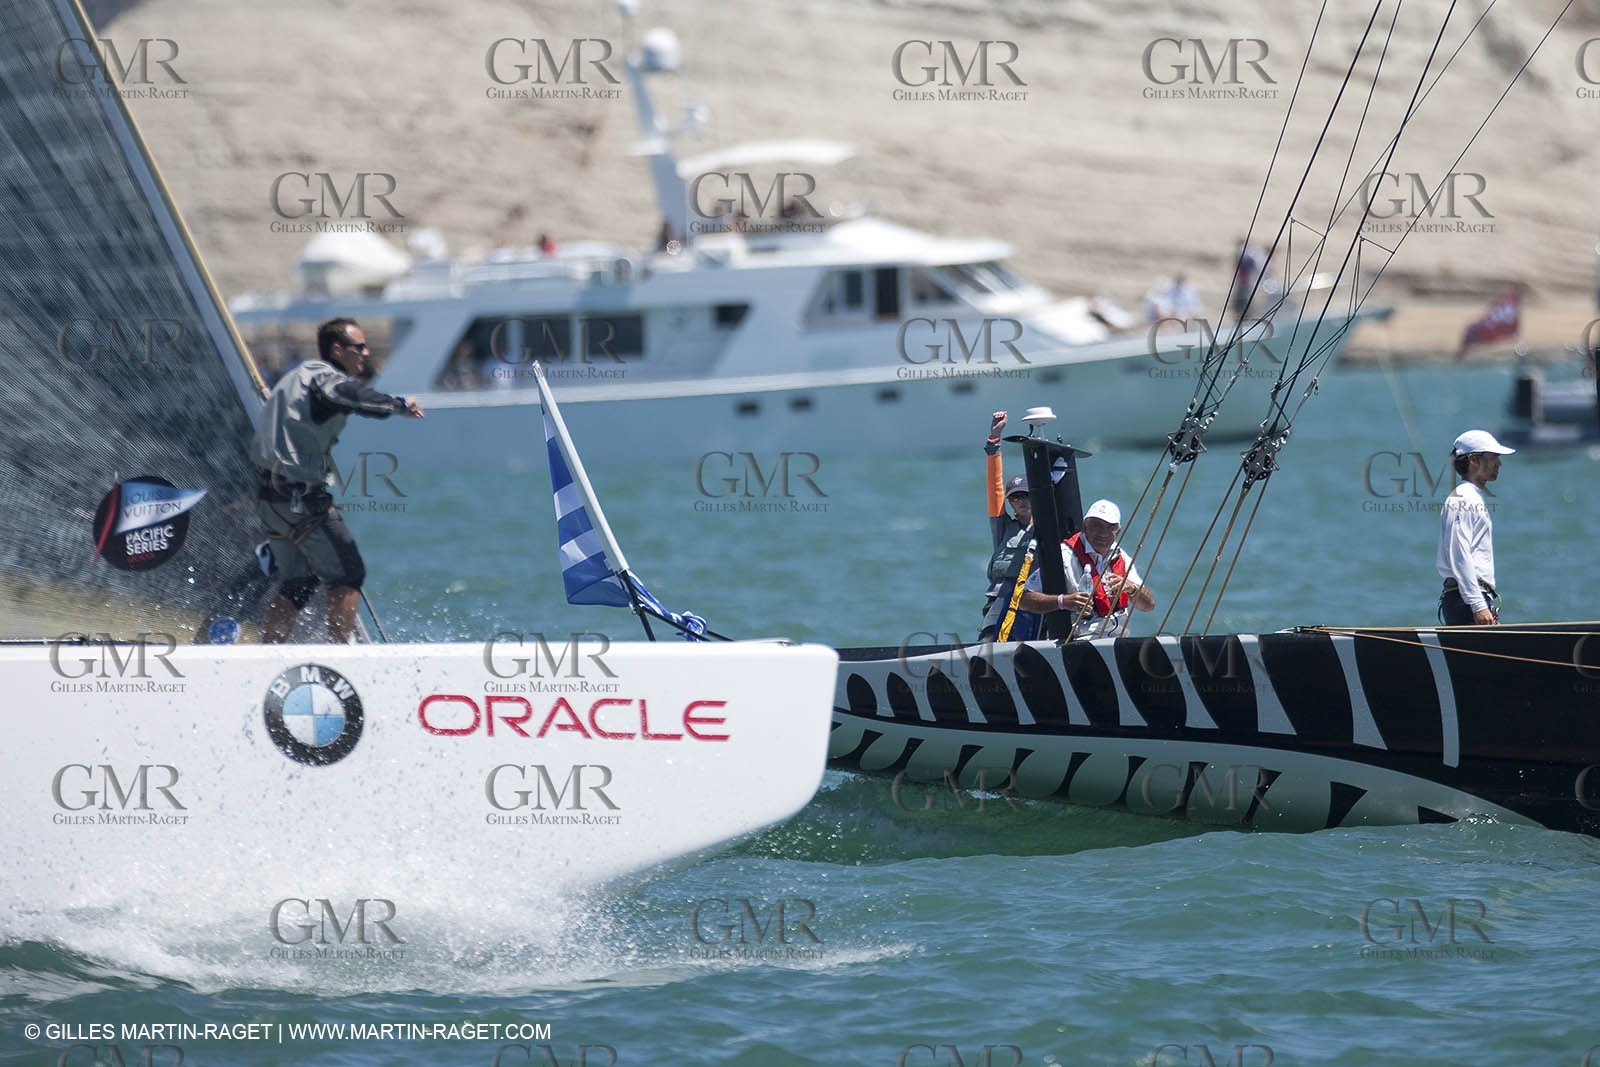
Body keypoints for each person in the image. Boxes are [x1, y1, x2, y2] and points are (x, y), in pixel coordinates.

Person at [251, 317, 424, 643]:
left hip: (270, 500)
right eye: (359, 347)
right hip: (300, 499)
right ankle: (342, 658)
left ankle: (267, 656)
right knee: (348, 573)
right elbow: (350, 394)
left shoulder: (294, 379)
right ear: (337, 349)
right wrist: (398, 405)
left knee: (298, 584)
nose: (366, 352)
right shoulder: (324, 379)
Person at [1018, 499, 1156, 639]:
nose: (1103, 533)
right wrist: (1062, 601)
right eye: (1097, 526)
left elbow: (1148, 605)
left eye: (1111, 527)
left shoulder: (1122, 557)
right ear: (1085, 526)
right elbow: (1023, 600)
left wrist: (1131, 589)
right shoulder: (1063, 557)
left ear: (1118, 531)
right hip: (1078, 641)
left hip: (1118, 640)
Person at [1436, 429, 1513, 626]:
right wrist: (1478, 605)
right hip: (1467, 600)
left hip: (1467, 598)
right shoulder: (1463, 498)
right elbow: (1459, 553)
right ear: (1473, 460)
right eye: (1494, 457)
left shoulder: (1468, 497)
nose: (1499, 463)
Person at [979, 411, 1038, 641]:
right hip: (1000, 600)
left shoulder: (1047, 529)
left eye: (1026, 496)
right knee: (988, 644)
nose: (1021, 502)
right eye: (1015, 498)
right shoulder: (1003, 527)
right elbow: (994, 488)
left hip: (1032, 602)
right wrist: (994, 439)